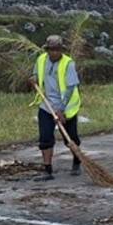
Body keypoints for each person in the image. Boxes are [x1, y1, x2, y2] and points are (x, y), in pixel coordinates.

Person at [31, 34, 82, 181]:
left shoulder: (68, 64)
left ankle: (77, 162)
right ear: (47, 50)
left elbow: (71, 88)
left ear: (61, 50)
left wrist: (61, 109)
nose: (54, 53)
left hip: (66, 108)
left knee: (71, 139)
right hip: (46, 105)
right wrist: (33, 78)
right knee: (45, 138)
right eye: (51, 50)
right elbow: (35, 74)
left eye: (57, 50)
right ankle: (47, 170)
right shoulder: (41, 60)